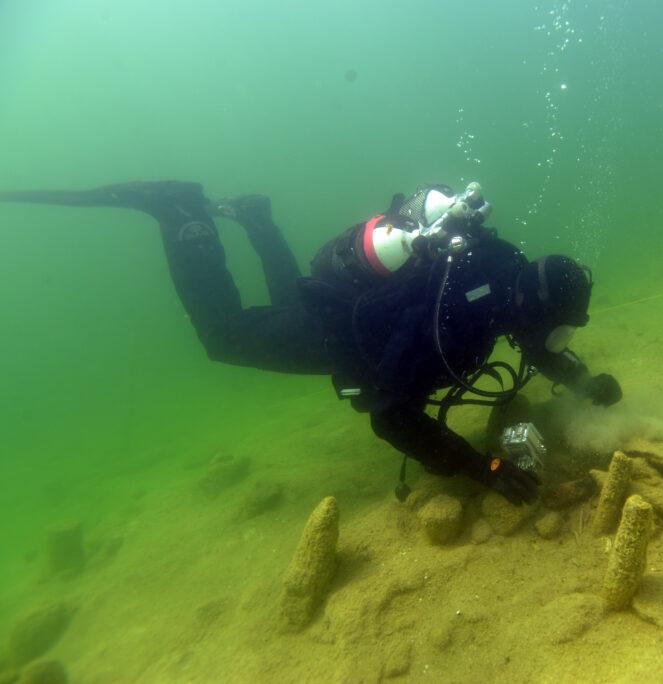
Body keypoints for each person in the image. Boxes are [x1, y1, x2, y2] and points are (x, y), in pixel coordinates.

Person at [0, 181, 622, 504]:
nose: (551, 340)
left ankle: (255, 216)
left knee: (295, 295)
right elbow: (390, 418)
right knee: (226, 336)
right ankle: (178, 215)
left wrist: (582, 380)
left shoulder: (504, 268)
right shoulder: (450, 323)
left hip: (341, 299)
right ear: (529, 305)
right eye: (558, 328)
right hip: (342, 333)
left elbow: (536, 338)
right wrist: (482, 468)